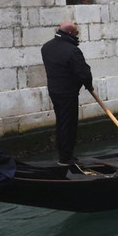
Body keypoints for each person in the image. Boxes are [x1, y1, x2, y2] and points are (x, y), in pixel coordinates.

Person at [40, 21, 94, 166]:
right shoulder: (72, 50)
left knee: (61, 122)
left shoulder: (46, 47)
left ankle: (63, 156)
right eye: (76, 33)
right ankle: (66, 158)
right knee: (69, 125)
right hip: (68, 93)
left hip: (54, 91)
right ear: (70, 33)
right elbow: (84, 73)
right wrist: (89, 86)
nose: (77, 36)